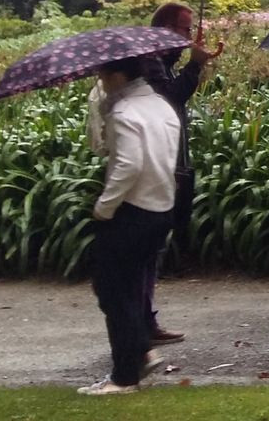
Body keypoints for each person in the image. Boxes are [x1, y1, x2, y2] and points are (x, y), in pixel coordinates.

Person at [80, 54, 182, 395]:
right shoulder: (160, 105)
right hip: (161, 209)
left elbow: (128, 165)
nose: (100, 79)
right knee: (130, 288)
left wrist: (103, 208)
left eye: (103, 72)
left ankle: (125, 375)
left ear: (119, 75)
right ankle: (139, 351)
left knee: (112, 290)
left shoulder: (125, 112)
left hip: (131, 211)